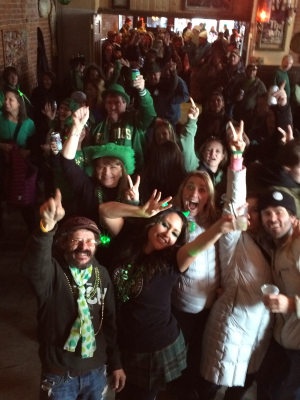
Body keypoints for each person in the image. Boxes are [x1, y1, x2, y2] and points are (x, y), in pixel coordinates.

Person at [99, 191, 234, 400]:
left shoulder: (173, 260)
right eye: (165, 225)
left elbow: (195, 248)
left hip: (155, 348)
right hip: (124, 339)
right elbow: (104, 210)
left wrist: (218, 229)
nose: (167, 234)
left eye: (174, 233)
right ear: (153, 222)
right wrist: (140, 211)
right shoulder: (128, 238)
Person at [20, 189, 126, 400]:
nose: (84, 247)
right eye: (76, 240)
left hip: (96, 372)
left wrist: (115, 363)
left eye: (90, 241)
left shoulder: (101, 274)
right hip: (59, 376)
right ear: (63, 243)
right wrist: (46, 228)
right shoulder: (52, 273)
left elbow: (110, 322)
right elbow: (33, 267)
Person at [199, 121, 273, 400]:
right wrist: (237, 158)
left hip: (258, 334)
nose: (252, 215)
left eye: (258, 211)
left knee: (240, 389)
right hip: (230, 329)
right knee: (210, 386)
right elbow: (233, 203)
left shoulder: (270, 242)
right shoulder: (233, 238)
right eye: (248, 209)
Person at [171, 167, 224, 399]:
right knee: (178, 353)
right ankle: (178, 389)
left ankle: (190, 388)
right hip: (181, 304)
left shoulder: (212, 221)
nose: (194, 193)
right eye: (190, 187)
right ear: (182, 191)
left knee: (200, 354)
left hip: (210, 304)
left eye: (202, 189)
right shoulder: (173, 220)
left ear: (208, 197)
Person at [256, 189, 300, 400]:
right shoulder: (276, 247)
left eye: (279, 212)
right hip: (280, 342)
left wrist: (291, 305)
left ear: (293, 217)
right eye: (267, 213)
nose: (272, 218)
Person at [91, 79, 156, 172]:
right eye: (109, 102)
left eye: (117, 102)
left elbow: (149, 114)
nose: (112, 107)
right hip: (106, 177)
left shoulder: (135, 121)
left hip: (131, 177)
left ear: (125, 104)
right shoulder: (96, 128)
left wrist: (142, 92)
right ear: (104, 105)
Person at [0, 89, 37, 232]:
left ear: (19, 104)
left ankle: (32, 230)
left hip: (19, 166)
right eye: (5, 99)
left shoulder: (28, 123)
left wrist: (27, 152)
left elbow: (34, 146)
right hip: (3, 164)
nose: (6, 102)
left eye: (11, 100)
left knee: (23, 197)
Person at [232, 64, 267, 131]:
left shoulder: (260, 85)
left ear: (256, 71)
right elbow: (232, 96)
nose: (251, 72)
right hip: (238, 114)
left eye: (254, 70)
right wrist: (236, 98)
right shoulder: (240, 83)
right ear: (246, 70)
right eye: (249, 70)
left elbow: (265, 100)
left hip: (251, 117)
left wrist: (257, 111)